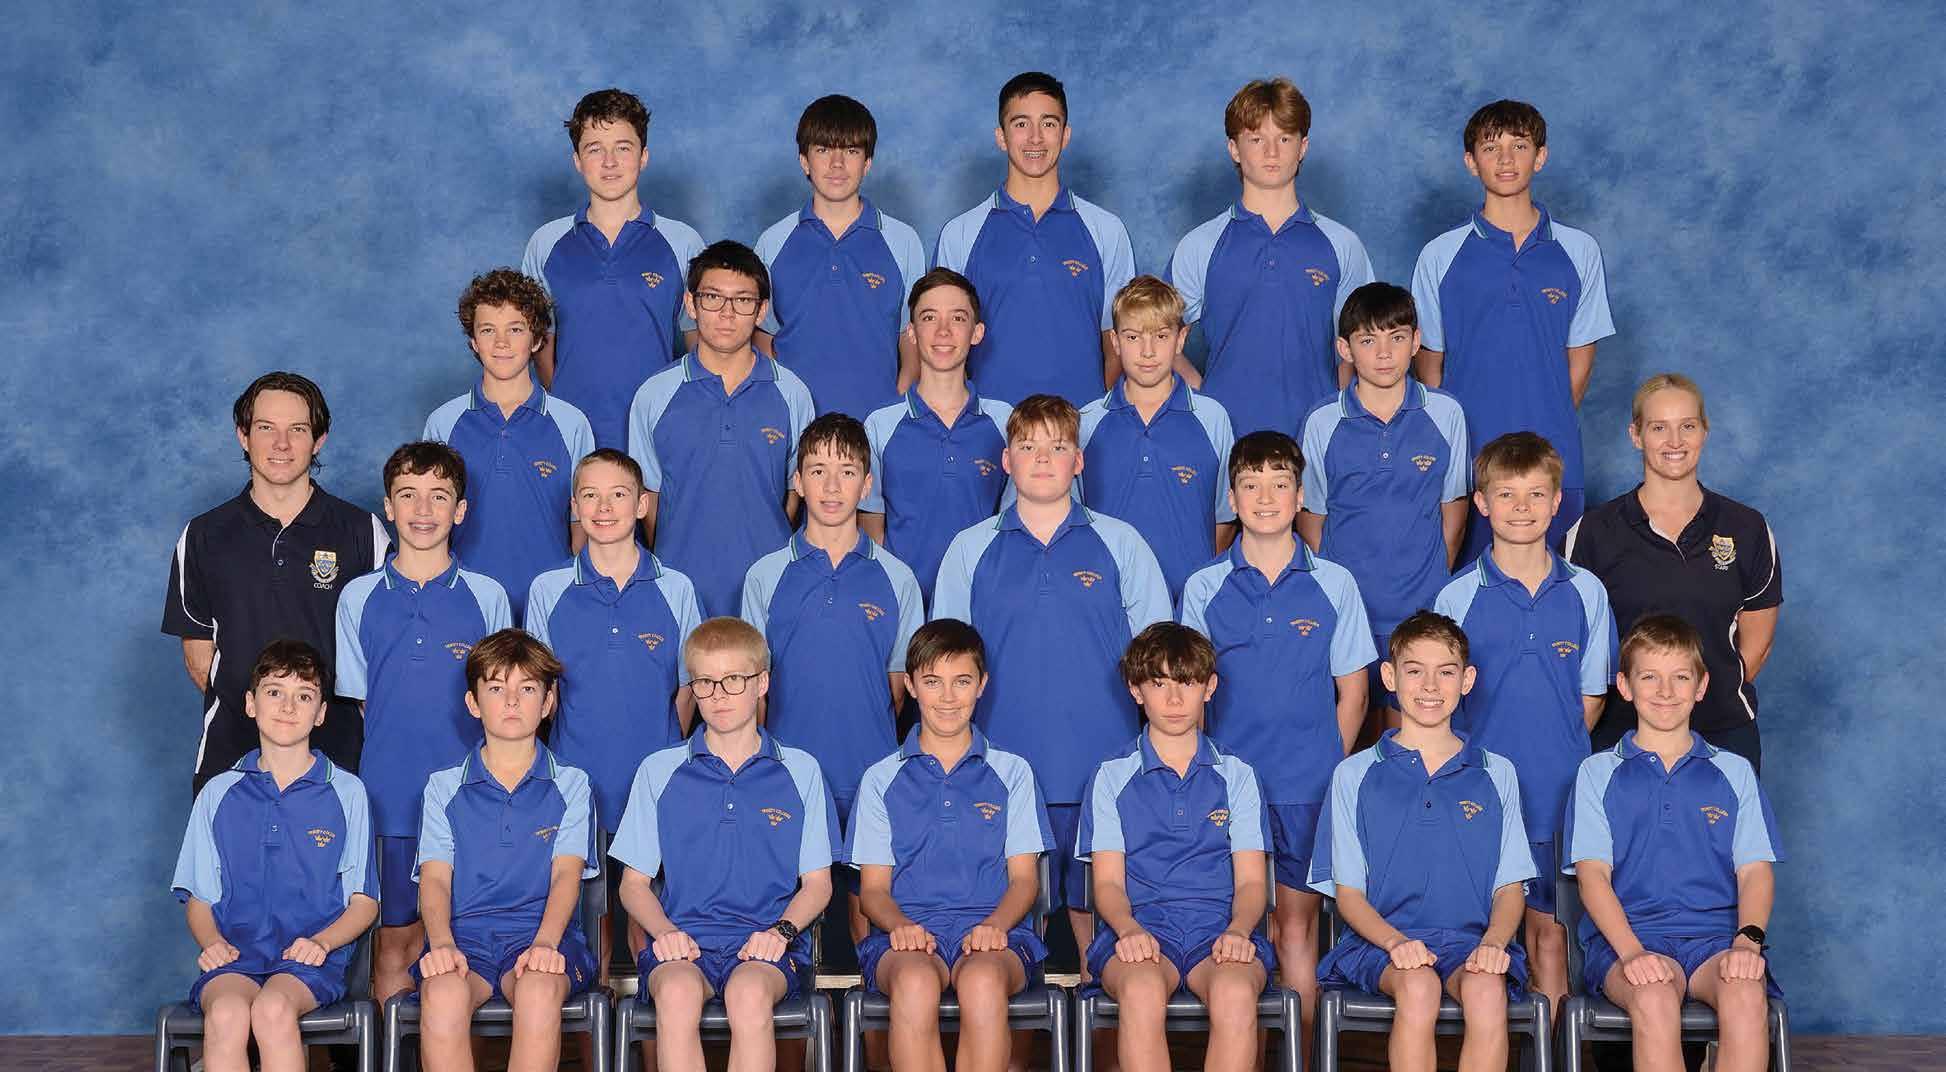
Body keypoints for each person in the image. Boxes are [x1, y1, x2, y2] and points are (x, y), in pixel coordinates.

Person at [932, 394, 1171, 963]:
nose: (1042, 459)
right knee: (999, 942)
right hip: (998, 774)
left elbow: (1161, 662)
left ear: (1079, 461)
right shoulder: (969, 548)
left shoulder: (1122, 543)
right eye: (1027, 446)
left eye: (1058, 447)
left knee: (1107, 946)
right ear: (1006, 460)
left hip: (1103, 770)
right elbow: (943, 667)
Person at [1178, 429, 1373, 1051]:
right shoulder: (1204, 586)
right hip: (1227, 793)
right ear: (1232, 498)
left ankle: (1303, 1058)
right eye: (1251, 485)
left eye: (1280, 484)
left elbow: (1354, 692)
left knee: (1295, 930)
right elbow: (1187, 697)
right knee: (1239, 934)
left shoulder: (1335, 583)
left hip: (1304, 790)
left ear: (1300, 495)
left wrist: (1324, 765)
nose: (1265, 498)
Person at [1433, 431, 1615, 1016]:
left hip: (1557, 795)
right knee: (1477, 946)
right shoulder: (1457, 597)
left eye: (1536, 494)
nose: (1521, 508)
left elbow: (1591, 696)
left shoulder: (1586, 592)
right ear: (1481, 503)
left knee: (1549, 941)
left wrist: (1556, 752)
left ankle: (1550, 1052)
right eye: (1506, 494)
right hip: (1478, 797)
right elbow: (1439, 705)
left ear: (1557, 501)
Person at [610, 617, 838, 1072]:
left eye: (734, 680)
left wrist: (780, 933)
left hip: (764, 945)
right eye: (705, 682)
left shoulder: (802, 771)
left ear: (761, 683)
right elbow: (632, 885)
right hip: (684, 944)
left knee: (748, 994)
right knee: (676, 993)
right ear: (691, 688)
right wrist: (665, 933)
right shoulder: (658, 770)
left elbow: (818, 884)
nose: (718, 695)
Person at [1311, 611, 1533, 1072]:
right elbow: (1348, 895)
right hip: (1380, 944)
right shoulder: (1353, 774)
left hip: (1472, 942)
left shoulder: (1498, 773)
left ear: (1467, 680)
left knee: (1487, 991)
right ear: (1389, 677)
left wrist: (1494, 943)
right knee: (1418, 985)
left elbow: (1510, 887)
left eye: (1446, 672)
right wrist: (1395, 942)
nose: (1430, 686)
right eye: (1414, 671)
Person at [335, 441, 513, 1004]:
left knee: (469, 946)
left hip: (472, 801)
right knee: (395, 944)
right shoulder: (358, 597)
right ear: (388, 506)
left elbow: (502, 704)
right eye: (408, 495)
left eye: (439, 496)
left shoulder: (487, 596)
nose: (423, 509)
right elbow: (365, 702)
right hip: (390, 797)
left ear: (460, 510)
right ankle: (396, 1046)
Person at [1566, 615, 1782, 1072]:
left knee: (1746, 993)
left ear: (1701, 687)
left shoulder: (1734, 772)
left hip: (1715, 940)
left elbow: (1755, 871)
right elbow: (1592, 878)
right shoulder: (1596, 773)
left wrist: (1747, 941)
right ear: (1624, 686)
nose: (1665, 691)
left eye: (1680, 677)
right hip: (1629, 940)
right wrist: (1632, 952)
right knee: (1654, 995)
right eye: (1649, 677)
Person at [525, 448, 703, 979]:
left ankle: (655, 1026)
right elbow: (541, 694)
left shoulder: (676, 587)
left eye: (618, 495)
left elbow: (687, 689)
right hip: (578, 782)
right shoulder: (548, 588)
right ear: (574, 507)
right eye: (591, 496)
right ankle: (597, 1025)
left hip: (656, 784)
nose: (604, 508)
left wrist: (661, 751)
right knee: (589, 925)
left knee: (652, 926)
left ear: (642, 504)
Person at [164, 371, 388, 792]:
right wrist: (268, 718)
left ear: (318, 440)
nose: (281, 444)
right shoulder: (204, 536)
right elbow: (199, 658)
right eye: (266, 428)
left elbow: (383, 646)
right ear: (243, 435)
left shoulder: (362, 532)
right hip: (231, 754)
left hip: (339, 754)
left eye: (297, 430)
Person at [846, 619, 1055, 1072]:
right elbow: (873, 891)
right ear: (910, 686)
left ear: (982, 685)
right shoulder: (880, 778)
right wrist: (900, 926)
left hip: (994, 934)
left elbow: (1024, 881)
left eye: (961, 681)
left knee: (982, 982)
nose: (947, 697)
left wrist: (995, 926)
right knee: (915, 983)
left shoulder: (1013, 772)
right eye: (932, 682)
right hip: (906, 937)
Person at [1411, 99, 1615, 554]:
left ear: (1540, 157)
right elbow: (1430, 367)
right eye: (1491, 148)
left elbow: (1580, 360)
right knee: (1469, 586)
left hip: (1554, 456)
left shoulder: (1579, 251)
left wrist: (1547, 419)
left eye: (1519, 146)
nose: (1506, 159)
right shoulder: (1440, 256)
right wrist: (1459, 441)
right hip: (1470, 463)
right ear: (1471, 162)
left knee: (1555, 581)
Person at [171, 640, 379, 1072]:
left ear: (321, 713)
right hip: (236, 958)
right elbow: (199, 899)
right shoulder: (217, 793)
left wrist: (322, 942)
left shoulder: (348, 793)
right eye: (274, 692)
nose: (287, 707)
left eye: (304, 696)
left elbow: (364, 903)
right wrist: (212, 943)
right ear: (251, 704)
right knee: (226, 1014)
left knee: (272, 1010)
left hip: (308, 962)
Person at [1078, 623, 1274, 1072]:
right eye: (1158, 683)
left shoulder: (1238, 775)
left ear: (1209, 688)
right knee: (1141, 989)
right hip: (1141, 930)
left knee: (1235, 991)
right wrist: (1127, 929)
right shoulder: (1110, 776)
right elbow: (1107, 884)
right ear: (1135, 690)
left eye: (1186, 683)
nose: (1173, 699)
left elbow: (1251, 883)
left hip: (1219, 931)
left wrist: (1239, 930)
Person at [1567, 373, 1781, 770]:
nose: (1675, 441)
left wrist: (1695, 699)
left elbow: (1758, 643)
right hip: (1620, 735)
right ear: (1636, 435)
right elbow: (1575, 644)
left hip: (1723, 733)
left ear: (1704, 432)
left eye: (1687, 426)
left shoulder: (1747, 528)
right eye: (1658, 428)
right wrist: (1651, 707)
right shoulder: (1594, 532)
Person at [413, 630, 599, 1072]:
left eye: (527, 689)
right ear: (473, 703)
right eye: (496, 689)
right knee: (442, 993)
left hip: (542, 936)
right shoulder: (442, 787)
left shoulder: (572, 784)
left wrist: (545, 942)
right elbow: (435, 879)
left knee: (538, 989)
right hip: (465, 939)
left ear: (548, 702)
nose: (512, 701)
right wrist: (441, 943)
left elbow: (566, 875)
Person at [1298, 282, 1469, 721]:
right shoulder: (1322, 421)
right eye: (1368, 340)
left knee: (1411, 732)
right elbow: (1312, 517)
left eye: (1396, 337)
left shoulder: (1445, 414)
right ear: (1345, 348)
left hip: (1420, 607)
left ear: (1416, 341)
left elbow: (1453, 509)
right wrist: (1335, 587)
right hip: (1348, 608)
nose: (1384, 353)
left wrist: (1431, 577)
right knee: (1352, 725)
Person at [1166, 77, 1375, 436]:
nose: (1272, 152)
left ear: (1303, 146)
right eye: (1256, 139)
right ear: (1234, 149)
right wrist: (1204, 396)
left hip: (1315, 439)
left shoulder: (1342, 244)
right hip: (1228, 441)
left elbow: (1365, 341)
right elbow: (1154, 334)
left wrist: (1337, 407)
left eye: (1285, 138)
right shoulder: (1200, 245)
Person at [626, 240, 817, 616]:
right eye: (713, 297)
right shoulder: (654, 394)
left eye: (743, 300)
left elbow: (795, 494)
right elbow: (649, 497)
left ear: (761, 310)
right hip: (680, 592)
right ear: (690, 303)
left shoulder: (792, 393)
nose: (727, 313)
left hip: (768, 591)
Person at [934, 71, 1136, 405]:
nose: (1035, 138)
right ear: (1001, 137)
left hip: (1079, 428)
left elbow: (1120, 342)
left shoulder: (1106, 230)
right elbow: (941, 343)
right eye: (1021, 124)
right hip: (989, 428)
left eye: (1049, 123)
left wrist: (1092, 416)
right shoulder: (960, 234)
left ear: (1065, 135)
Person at [523, 88, 705, 450]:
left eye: (623, 147)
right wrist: (568, 408)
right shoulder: (545, 244)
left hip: (656, 434)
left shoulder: (683, 243)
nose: (609, 162)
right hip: (572, 439)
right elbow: (539, 344)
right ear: (577, 160)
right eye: (595, 149)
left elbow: (701, 347)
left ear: (643, 156)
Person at [424, 268, 595, 622]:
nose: (501, 342)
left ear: (537, 339)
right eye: (488, 330)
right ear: (474, 341)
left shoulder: (571, 423)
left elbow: (583, 524)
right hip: (464, 607)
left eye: (515, 329)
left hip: (547, 607)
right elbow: (428, 522)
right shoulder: (444, 422)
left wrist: (567, 597)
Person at [754, 94, 928, 420]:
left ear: (868, 163)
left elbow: (913, 335)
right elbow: (763, 337)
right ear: (804, 161)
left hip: (874, 425)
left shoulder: (903, 241)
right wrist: (784, 406)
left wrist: (895, 405)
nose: (837, 164)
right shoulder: (772, 242)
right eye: (823, 150)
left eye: (850, 151)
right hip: (796, 425)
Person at [859, 268, 1016, 603]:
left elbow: (1016, 522)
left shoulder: (1005, 422)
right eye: (929, 317)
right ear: (912, 333)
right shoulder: (880, 425)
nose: (943, 330)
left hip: (983, 601)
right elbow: (872, 529)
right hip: (907, 606)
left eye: (958, 318)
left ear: (977, 332)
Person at [1078, 275, 1237, 601]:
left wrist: (1196, 586)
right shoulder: (1087, 422)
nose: (1147, 351)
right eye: (1133, 337)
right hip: (1107, 601)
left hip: (1186, 605)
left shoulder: (1212, 418)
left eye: (1161, 336)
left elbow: (1225, 518)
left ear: (1181, 339)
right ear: (1115, 341)